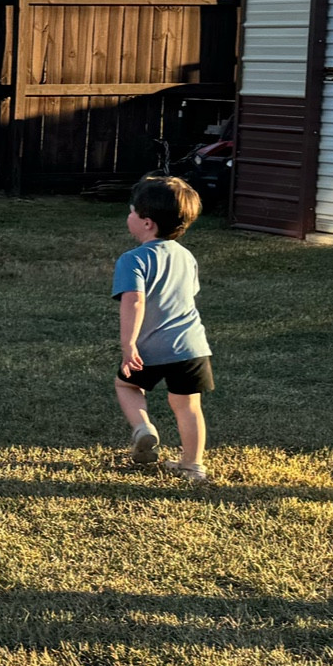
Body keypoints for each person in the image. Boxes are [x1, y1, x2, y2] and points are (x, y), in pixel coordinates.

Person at [114, 174, 212, 483]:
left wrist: (129, 346)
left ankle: (144, 429)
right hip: (193, 347)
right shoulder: (187, 257)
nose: (129, 215)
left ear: (147, 223)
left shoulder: (132, 260)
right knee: (188, 405)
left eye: (132, 210)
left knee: (127, 386)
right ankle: (193, 466)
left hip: (151, 349)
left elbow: (134, 302)